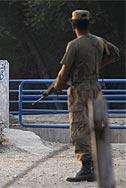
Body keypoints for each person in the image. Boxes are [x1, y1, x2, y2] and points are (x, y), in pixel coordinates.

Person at [52, 10, 120, 182]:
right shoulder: (99, 41)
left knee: (79, 128)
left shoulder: (74, 45)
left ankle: (87, 168)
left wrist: (57, 86)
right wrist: (98, 65)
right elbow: (115, 53)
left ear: (73, 25)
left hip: (79, 89)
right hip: (95, 88)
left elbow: (64, 71)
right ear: (88, 24)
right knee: (96, 125)